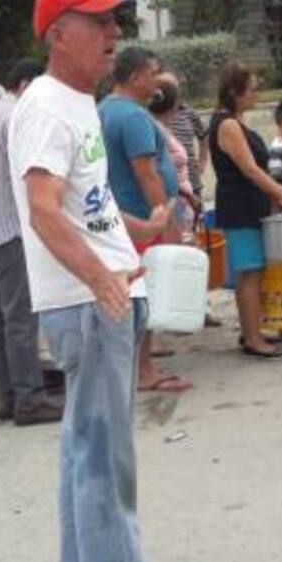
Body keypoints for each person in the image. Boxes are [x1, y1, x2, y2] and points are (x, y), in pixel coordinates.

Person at [9, 0, 202, 562]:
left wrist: (131, 230)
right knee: (104, 470)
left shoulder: (75, 104)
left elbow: (78, 203)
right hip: (88, 306)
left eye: (113, 21)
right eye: (98, 23)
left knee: (80, 458)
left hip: (95, 297)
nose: (113, 35)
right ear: (58, 34)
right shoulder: (46, 109)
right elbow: (39, 209)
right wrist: (101, 279)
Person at [0, 59, 62, 425]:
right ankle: (30, 400)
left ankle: (8, 397)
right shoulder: (20, 117)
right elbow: (32, 179)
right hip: (6, 232)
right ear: (28, 84)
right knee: (19, 319)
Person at [99, 46, 192, 393]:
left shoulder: (105, 109)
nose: (158, 80)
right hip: (141, 221)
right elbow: (146, 173)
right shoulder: (134, 116)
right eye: (153, 72)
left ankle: (139, 365)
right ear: (136, 76)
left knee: (133, 296)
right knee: (143, 295)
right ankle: (144, 371)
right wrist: (165, 223)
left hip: (122, 220)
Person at [209, 63, 282, 358]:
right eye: (252, 89)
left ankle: (252, 331)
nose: (257, 93)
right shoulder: (227, 125)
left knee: (253, 270)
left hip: (250, 205)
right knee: (249, 271)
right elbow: (250, 169)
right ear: (234, 92)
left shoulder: (234, 122)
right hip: (240, 207)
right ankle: (253, 338)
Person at [149, 78, 200, 239]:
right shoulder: (157, 129)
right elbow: (160, 169)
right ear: (174, 104)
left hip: (181, 200)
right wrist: (188, 195)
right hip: (176, 200)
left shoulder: (164, 128)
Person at [158, 70, 210, 201]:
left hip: (192, 179)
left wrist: (203, 160)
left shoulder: (189, 112)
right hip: (168, 184)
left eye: (172, 87)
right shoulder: (153, 115)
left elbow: (203, 135)